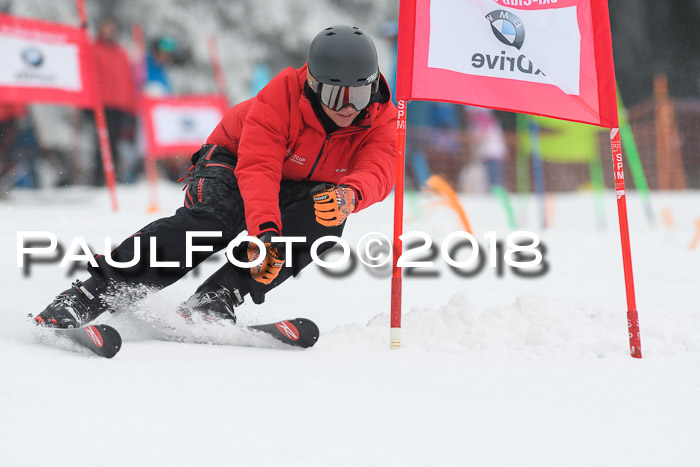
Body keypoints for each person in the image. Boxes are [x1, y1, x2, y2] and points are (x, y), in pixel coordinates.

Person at [34, 25, 397, 328]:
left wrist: (351, 193)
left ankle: (217, 296)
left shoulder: (381, 115)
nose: (348, 108)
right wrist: (266, 235)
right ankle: (92, 293)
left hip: (298, 182)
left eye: (359, 94)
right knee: (214, 221)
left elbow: (381, 167)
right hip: (232, 161)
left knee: (327, 219)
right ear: (313, 85)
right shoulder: (280, 98)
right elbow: (259, 170)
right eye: (335, 96)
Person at [90, 18, 138, 185]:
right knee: (101, 141)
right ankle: (98, 178)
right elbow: (89, 75)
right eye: (106, 27)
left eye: (112, 28)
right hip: (101, 102)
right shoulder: (93, 49)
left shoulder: (120, 52)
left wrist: (133, 105)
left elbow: (128, 79)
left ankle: (113, 177)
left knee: (116, 141)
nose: (109, 31)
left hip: (120, 104)